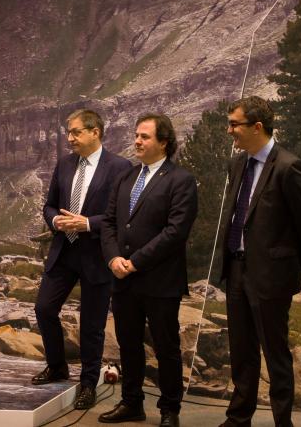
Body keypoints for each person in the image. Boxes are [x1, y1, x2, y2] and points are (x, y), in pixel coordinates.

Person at [218, 96, 301, 427]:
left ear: (257, 127)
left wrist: (285, 266)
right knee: (242, 350)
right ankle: (238, 418)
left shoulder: (289, 168)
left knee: (275, 354)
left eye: (235, 124)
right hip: (236, 270)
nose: (230, 130)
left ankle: (282, 421)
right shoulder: (237, 164)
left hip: (271, 276)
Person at [99, 114, 198, 427]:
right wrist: (114, 258)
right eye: (136, 136)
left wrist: (136, 261)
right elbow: (110, 223)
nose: (137, 141)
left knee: (166, 347)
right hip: (123, 279)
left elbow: (175, 231)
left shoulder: (180, 180)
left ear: (163, 142)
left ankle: (170, 410)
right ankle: (132, 403)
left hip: (160, 281)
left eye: (144, 137)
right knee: (128, 344)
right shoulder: (127, 177)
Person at [32, 109, 132, 410]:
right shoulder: (64, 164)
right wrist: (55, 222)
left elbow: (122, 217)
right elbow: (49, 205)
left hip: (97, 255)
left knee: (91, 324)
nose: (70, 138)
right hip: (64, 250)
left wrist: (87, 223)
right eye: (69, 132)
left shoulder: (120, 167)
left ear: (95, 132)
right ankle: (57, 366)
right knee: (44, 308)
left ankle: (88, 383)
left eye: (75, 132)